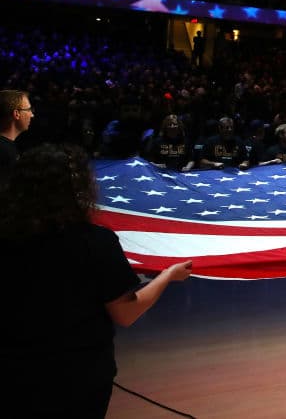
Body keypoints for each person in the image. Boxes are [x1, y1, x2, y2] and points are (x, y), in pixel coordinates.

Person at [0, 144, 192, 417]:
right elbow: (126, 313)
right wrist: (167, 275)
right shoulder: (95, 242)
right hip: (78, 373)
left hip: (13, 371)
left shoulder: (7, 237)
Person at [0, 89, 33, 172]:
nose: (32, 115)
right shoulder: (4, 152)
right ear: (16, 114)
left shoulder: (6, 147)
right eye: (29, 109)